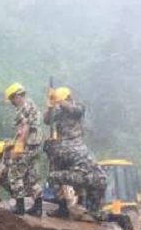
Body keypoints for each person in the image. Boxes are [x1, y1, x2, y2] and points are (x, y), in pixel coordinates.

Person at [42, 86, 107, 219]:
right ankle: (62, 207)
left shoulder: (76, 107)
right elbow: (47, 120)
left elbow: (74, 110)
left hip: (74, 146)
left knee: (88, 175)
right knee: (59, 176)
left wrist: (59, 101)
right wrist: (50, 106)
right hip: (65, 147)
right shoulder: (59, 110)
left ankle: (89, 207)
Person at [4, 83, 42, 216]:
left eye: (12, 99)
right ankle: (38, 207)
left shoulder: (23, 108)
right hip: (34, 145)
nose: (12, 103)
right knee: (32, 175)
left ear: (16, 96)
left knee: (14, 172)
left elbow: (24, 128)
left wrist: (18, 147)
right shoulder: (31, 104)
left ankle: (19, 206)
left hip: (26, 145)